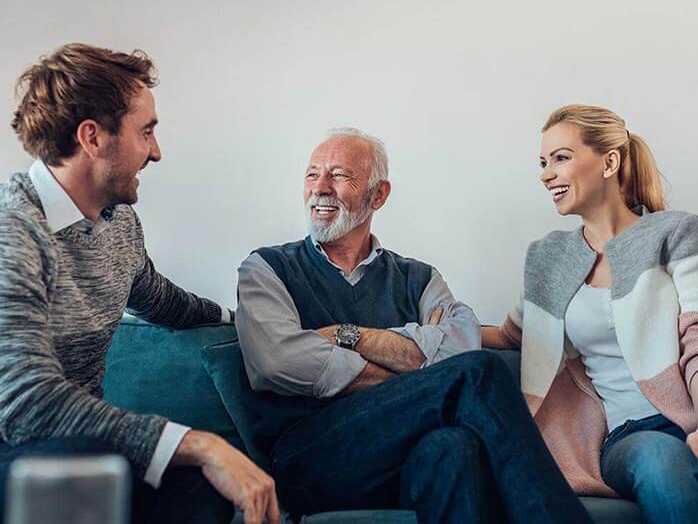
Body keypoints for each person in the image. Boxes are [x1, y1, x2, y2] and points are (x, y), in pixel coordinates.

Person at [0, 43, 279, 524]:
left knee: (208, 490)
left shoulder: (118, 224)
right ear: (93, 138)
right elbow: (27, 406)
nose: (156, 152)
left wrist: (243, 319)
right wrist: (197, 442)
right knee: (75, 481)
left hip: (74, 454)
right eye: (146, 132)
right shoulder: (1, 225)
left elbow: (162, 300)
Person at [483, 105, 698, 523]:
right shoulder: (548, 258)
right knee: (663, 464)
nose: (545, 174)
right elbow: (509, 336)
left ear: (609, 161)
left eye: (561, 158)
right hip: (631, 434)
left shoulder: (677, 232)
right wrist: (424, 332)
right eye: (542, 162)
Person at [236, 127, 591, 524]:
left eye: (339, 175)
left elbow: (461, 345)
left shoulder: (418, 278)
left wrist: (346, 336)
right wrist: (421, 370)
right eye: (312, 174)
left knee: (454, 447)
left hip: (400, 459)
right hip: (311, 456)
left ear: (378, 195)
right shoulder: (267, 268)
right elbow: (278, 361)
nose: (320, 188)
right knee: (477, 376)